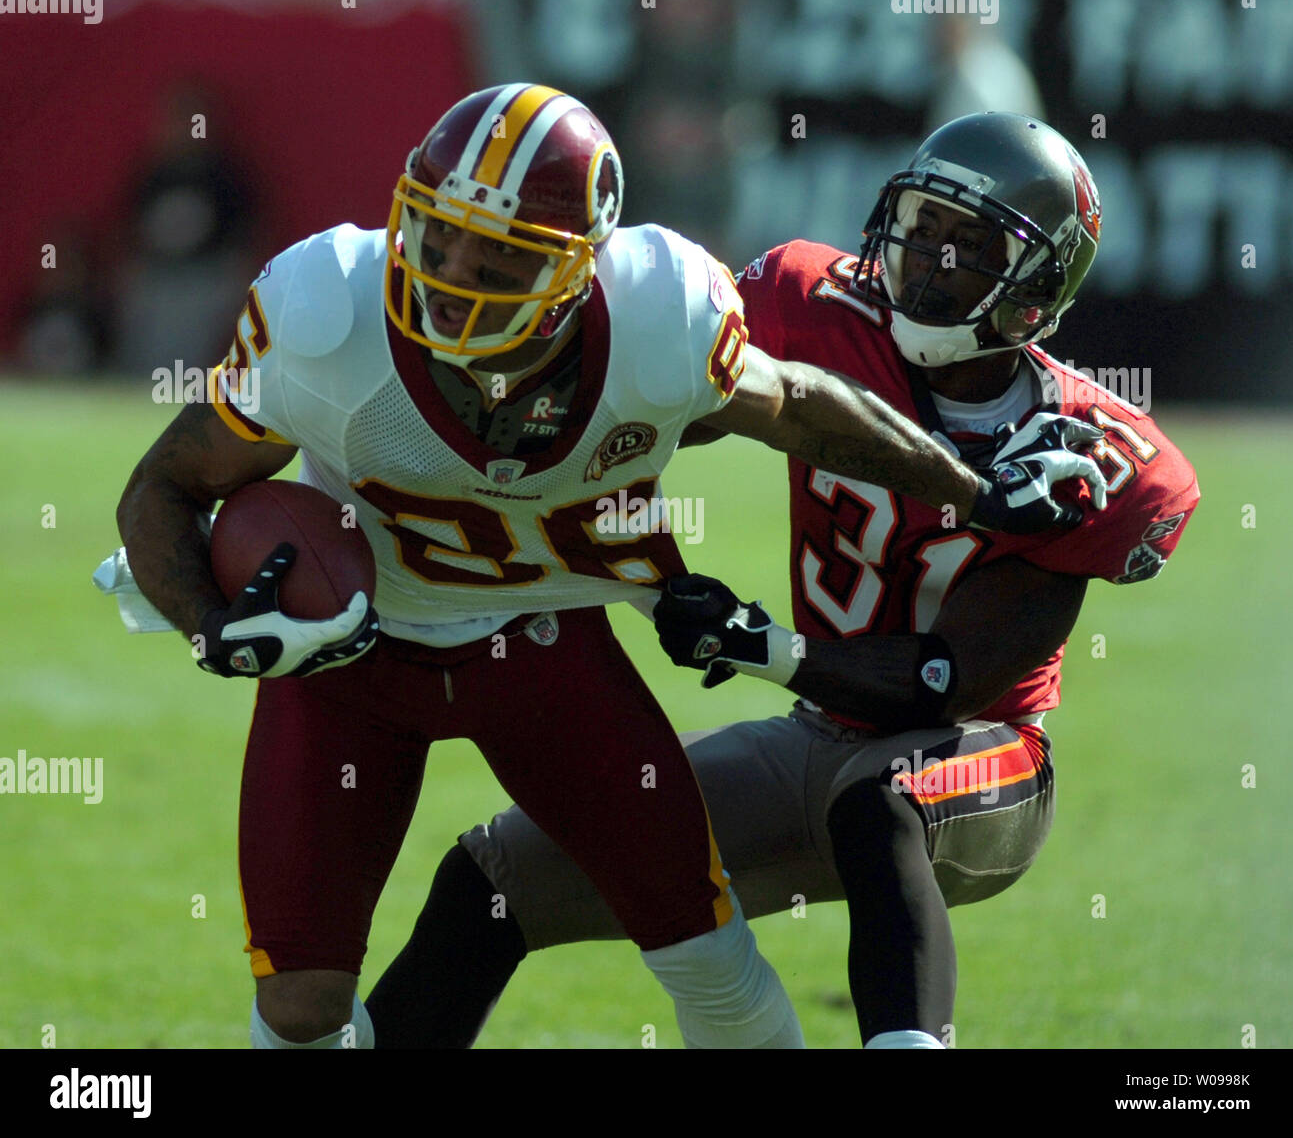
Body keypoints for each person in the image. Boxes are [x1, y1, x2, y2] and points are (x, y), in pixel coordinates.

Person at [113, 88, 1102, 1051]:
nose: (452, 268)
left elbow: (800, 406)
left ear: (575, 270)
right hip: (349, 668)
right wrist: (214, 627)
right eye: (438, 231)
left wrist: (970, 489)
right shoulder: (325, 312)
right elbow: (161, 488)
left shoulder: (654, 315)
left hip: (540, 645)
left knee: (698, 941)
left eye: (498, 253)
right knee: (300, 1003)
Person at [363, 112, 1199, 1049]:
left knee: (881, 800)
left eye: (971, 245)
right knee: (494, 879)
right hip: (814, 742)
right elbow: (657, 401)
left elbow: (943, 682)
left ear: (1036, 285)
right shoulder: (815, 303)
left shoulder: (1091, 451)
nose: (927, 259)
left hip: (985, 762)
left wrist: (761, 647)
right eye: (922, 225)